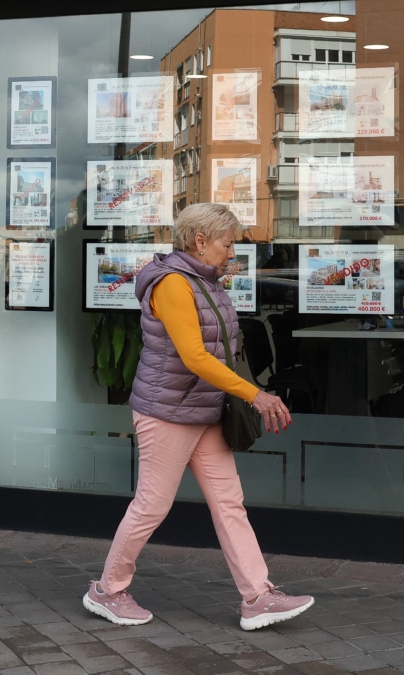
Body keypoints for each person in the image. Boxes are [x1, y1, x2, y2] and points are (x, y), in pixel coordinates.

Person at [82, 203, 313, 631]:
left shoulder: (204, 281)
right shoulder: (172, 284)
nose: (232, 253)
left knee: (230, 504)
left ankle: (257, 596)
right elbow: (194, 356)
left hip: (204, 411)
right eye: (227, 244)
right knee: (152, 505)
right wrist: (254, 395)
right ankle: (107, 590)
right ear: (199, 241)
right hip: (168, 412)